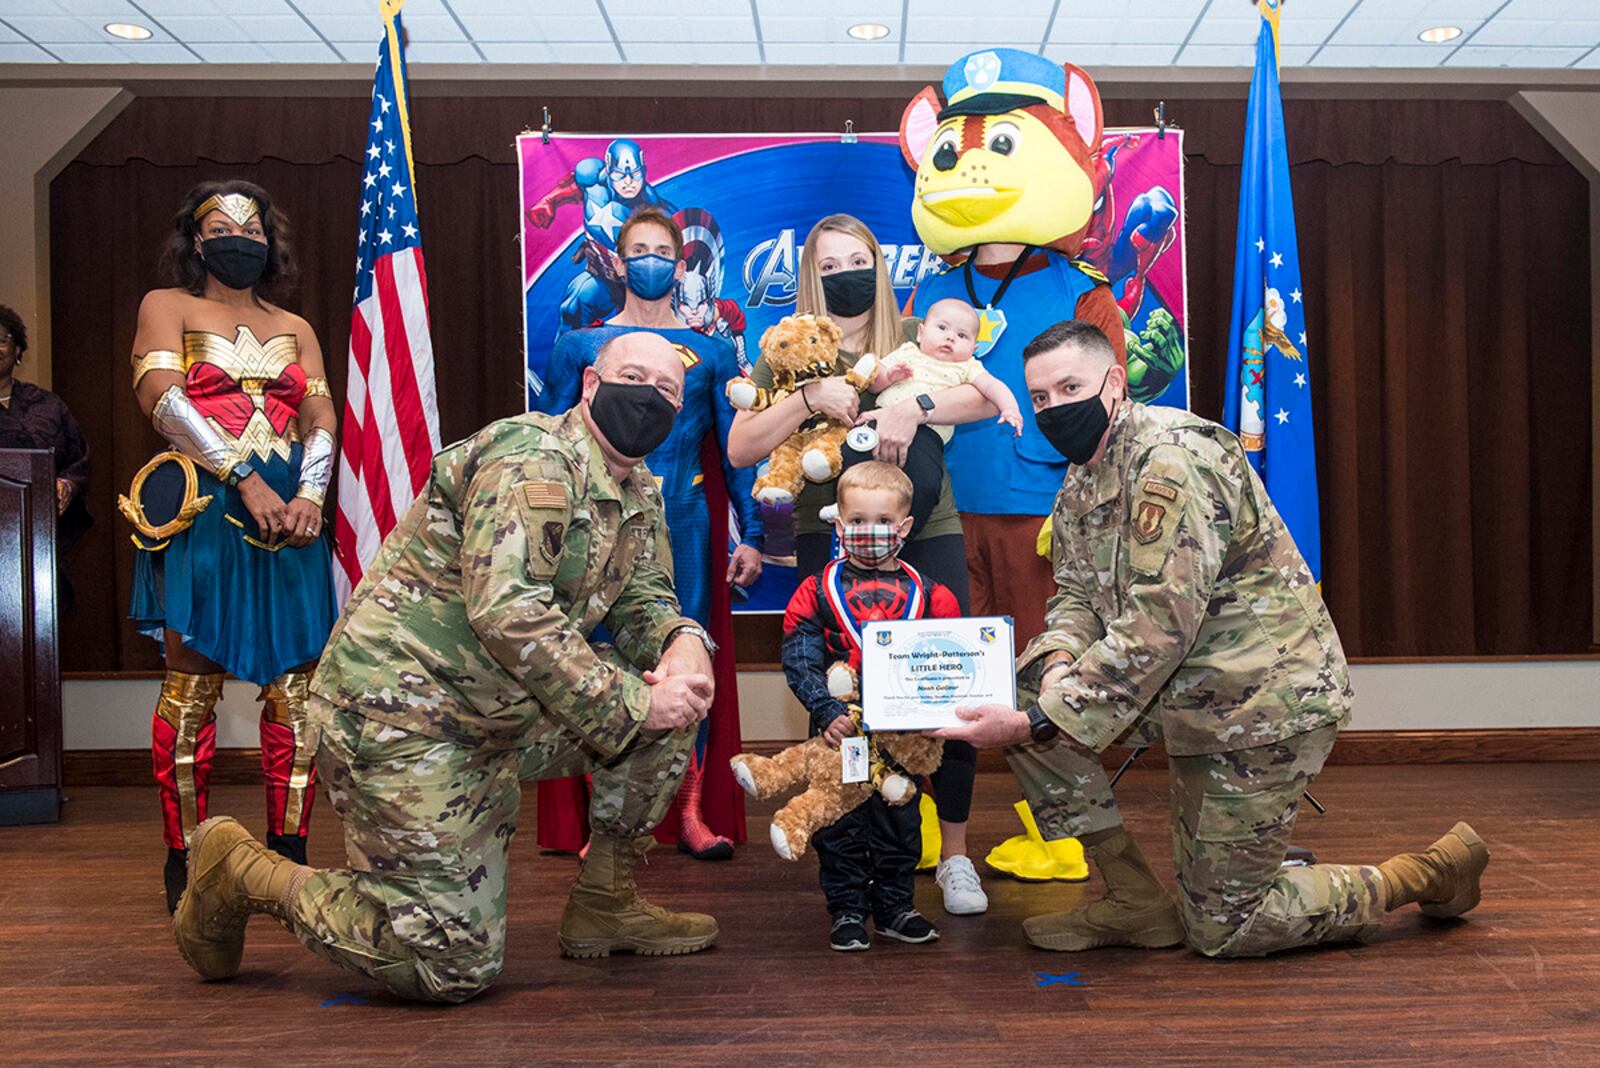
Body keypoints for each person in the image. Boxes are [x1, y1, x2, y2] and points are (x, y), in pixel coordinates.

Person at [172, 331, 723, 1003]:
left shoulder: (637, 491)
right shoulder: (533, 460)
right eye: (632, 376)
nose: (648, 397)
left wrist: (683, 641)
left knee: (678, 697)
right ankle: (241, 871)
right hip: (404, 718)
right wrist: (636, 703)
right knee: (448, 967)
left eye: (667, 390)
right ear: (588, 385)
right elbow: (508, 609)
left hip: (503, 713)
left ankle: (606, 901)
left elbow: (642, 597)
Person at [936, 319, 1489, 958]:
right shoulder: (1086, 473)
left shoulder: (1172, 458)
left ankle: (1423, 874)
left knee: (1226, 930)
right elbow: (1078, 595)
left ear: (1114, 382)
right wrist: (1059, 662)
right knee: (1031, 687)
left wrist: (1042, 717)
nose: (1055, 408)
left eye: (1069, 387)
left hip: (1259, 700)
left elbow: (1159, 622)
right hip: (1176, 688)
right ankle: (1135, 902)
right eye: (1040, 398)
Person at [726, 214, 991, 916]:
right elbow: (741, 447)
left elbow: (983, 393)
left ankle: (956, 854)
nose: (846, 270)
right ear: (812, 271)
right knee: (842, 694)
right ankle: (851, 859)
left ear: (879, 264)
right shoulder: (791, 351)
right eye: (831, 260)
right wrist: (810, 400)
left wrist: (917, 406)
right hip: (832, 541)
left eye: (859, 257)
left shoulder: (914, 337)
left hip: (926, 533)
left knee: (948, 693)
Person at [123, 181, 337, 912]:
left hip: (295, 520)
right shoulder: (168, 305)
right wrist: (246, 480)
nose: (237, 238)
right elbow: (163, 399)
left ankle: (291, 854)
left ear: (270, 240)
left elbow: (320, 412)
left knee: (299, 690)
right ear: (196, 238)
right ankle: (183, 855)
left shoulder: (296, 323)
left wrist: (310, 494)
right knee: (192, 683)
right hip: (206, 508)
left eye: (250, 227)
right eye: (219, 226)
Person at [535, 206, 763, 860]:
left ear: (682, 260)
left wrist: (749, 536)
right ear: (618, 258)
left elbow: (734, 451)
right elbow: (550, 442)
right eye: (638, 249)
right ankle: (605, 825)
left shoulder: (716, 352)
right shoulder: (581, 346)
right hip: (594, 530)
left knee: (683, 664)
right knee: (597, 665)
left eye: (663, 249)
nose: (652, 260)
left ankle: (686, 814)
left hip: (684, 532)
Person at [781, 462, 958, 950]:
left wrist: (941, 713)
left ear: (903, 528)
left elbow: (950, 661)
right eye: (856, 521)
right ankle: (846, 909)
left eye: (881, 521)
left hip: (903, 738)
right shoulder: (815, 591)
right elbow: (800, 657)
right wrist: (823, 707)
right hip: (838, 732)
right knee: (839, 822)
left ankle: (897, 907)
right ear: (838, 524)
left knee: (900, 819)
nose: (868, 532)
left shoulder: (932, 595)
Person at [845, 296, 1023, 533]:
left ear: (974, 348)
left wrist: (1010, 408)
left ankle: (900, 532)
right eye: (942, 328)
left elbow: (993, 388)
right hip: (879, 421)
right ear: (920, 333)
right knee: (851, 459)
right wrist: (889, 377)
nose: (950, 337)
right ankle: (845, 515)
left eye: (962, 335)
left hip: (924, 436)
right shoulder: (908, 352)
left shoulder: (968, 366)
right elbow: (874, 384)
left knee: (925, 485)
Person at [0, 304, 93, 609]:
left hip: (34, 537)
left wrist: (68, 484)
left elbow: (78, 458)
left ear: (18, 350)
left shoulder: (46, 405)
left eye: (2, 339)